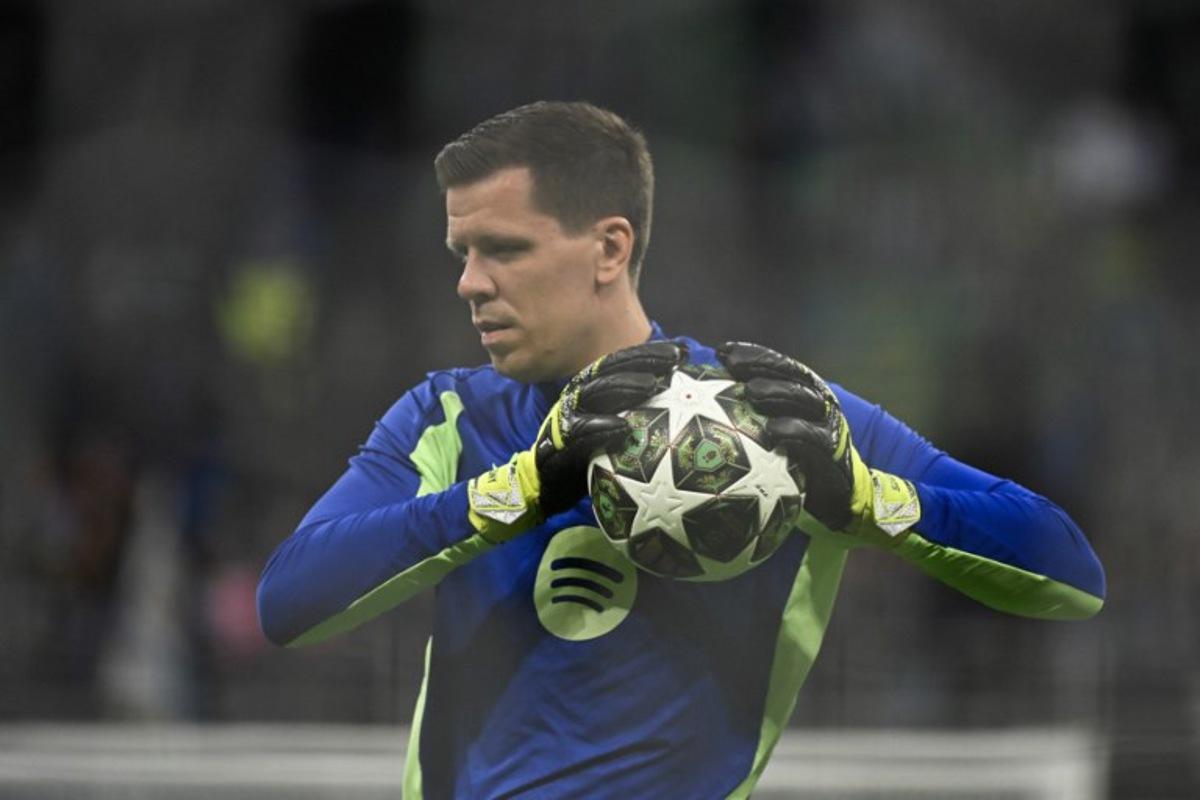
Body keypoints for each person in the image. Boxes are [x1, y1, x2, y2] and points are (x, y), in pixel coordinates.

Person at [257, 101, 1105, 799]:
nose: (470, 283)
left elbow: (1069, 572)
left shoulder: (779, 424)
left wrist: (867, 500)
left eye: (504, 249)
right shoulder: (445, 417)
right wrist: (518, 490)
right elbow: (290, 600)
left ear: (610, 248)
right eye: (463, 252)